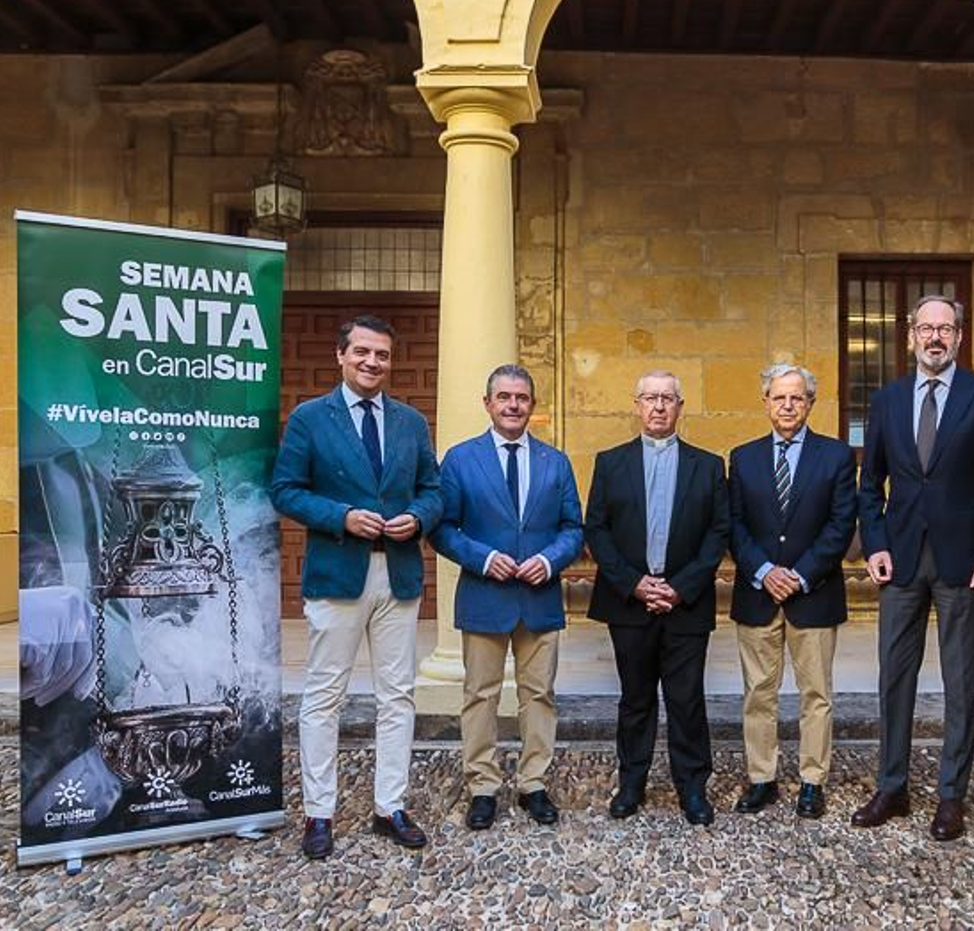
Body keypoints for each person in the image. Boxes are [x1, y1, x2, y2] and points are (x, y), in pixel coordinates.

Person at [271, 315, 443, 859]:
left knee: (398, 695)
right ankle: (318, 813)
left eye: (383, 355)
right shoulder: (309, 419)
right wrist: (341, 516)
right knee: (324, 697)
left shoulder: (411, 422)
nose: (374, 363)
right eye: (363, 353)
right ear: (341, 356)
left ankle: (389, 805)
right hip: (338, 572)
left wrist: (417, 517)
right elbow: (285, 490)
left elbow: (433, 489)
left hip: (397, 574)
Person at [852, 295, 974, 841]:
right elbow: (868, 484)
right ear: (911, 335)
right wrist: (873, 542)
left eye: (946, 329)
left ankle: (951, 796)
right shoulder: (889, 400)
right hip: (898, 561)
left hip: (964, 562)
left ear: (960, 338)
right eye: (927, 328)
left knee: (960, 680)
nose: (936, 337)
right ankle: (892, 786)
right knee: (894, 677)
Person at [430, 364, 584, 830]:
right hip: (485, 594)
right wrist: (481, 558)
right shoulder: (460, 459)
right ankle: (482, 785)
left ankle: (533, 783)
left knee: (539, 695)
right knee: (480, 695)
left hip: (539, 597)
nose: (513, 405)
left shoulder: (555, 462)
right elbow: (442, 527)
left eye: (521, 398)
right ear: (488, 403)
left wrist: (551, 560)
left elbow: (573, 528)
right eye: (504, 397)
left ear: (532, 406)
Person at [584, 370, 729, 825]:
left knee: (687, 699)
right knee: (636, 698)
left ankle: (692, 788)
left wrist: (679, 587)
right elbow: (597, 530)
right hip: (629, 601)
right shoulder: (610, 462)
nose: (659, 406)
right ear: (637, 404)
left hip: (685, 601)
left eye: (668, 398)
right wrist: (634, 583)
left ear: (680, 406)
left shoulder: (708, 466)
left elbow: (718, 531)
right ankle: (631, 784)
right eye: (650, 397)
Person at [727, 364, 857, 819]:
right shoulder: (742, 458)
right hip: (757, 594)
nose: (787, 405)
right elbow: (734, 525)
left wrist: (799, 575)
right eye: (779, 398)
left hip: (814, 594)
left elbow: (841, 525)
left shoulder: (836, 456)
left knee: (815, 694)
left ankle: (811, 780)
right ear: (765, 402)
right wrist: (764, 571)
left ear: (809, 403)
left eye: (796, 398)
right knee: (758, 693)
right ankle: (761, 778)